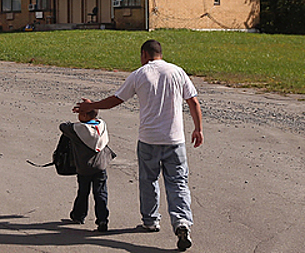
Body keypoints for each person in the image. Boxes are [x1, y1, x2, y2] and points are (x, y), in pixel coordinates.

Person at [74, 39, 203, 251]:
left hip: (149, 139)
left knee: (148, 180)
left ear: (144, 54)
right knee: (178, 182)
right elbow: (193, 101)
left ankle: (151, 221)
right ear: (160, 53)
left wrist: (92, 105)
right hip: (175, 140)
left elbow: (116, 99)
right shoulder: (178, 72)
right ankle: (182, 223)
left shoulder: (140, 74)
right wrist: (198, 129)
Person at [59, 107, 115, 232]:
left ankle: (79, 216)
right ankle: (102, 220)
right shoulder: (101, 125)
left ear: (84, 115)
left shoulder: (77, 129)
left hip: (84, 167)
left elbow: (63, 126)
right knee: (100, 193)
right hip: (100, 166)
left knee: (83, 192)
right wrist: (89, 106)